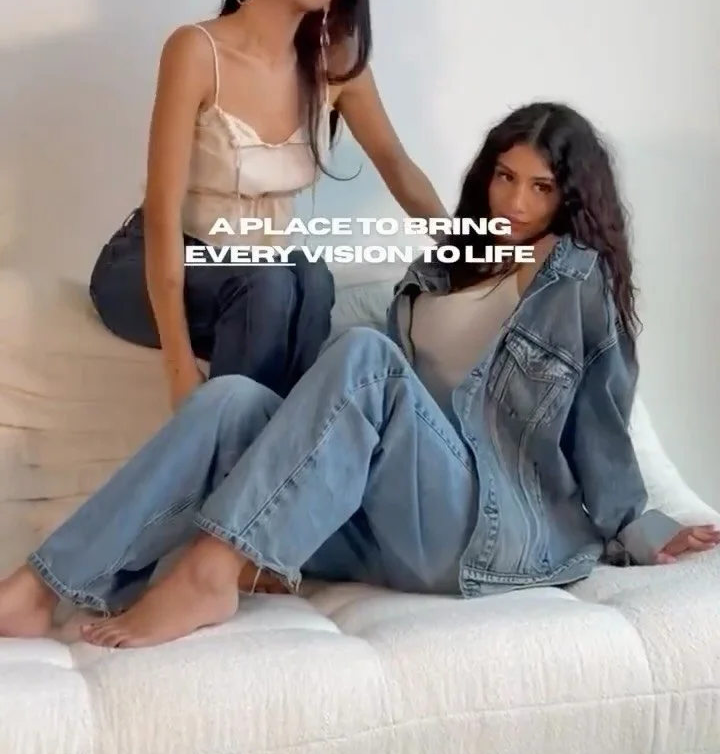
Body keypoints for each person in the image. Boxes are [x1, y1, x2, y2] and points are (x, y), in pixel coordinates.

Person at [1, 101, 717, 647]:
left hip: (481, 526)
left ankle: (212, 572)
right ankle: (38, 588)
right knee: (231, 399)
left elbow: (600, 418)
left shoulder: (572, 280)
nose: (516, 203)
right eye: (505, 177)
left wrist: (640, 526)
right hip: (382, 523)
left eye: (541, 187)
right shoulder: (443, 267)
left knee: (367, 355)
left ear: (570, 198)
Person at [88, 0, 446, 408]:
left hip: (254, 274)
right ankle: (222, 436)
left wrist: (470, 251)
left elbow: (396, 165)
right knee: (272, 283)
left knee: (312, 279)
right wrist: (180, 368)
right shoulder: (196, 50)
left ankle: (277, 443)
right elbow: (163, 210)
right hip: (148, 266)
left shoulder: (337, 67)